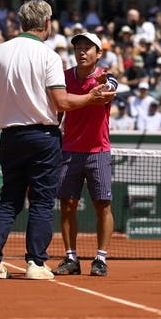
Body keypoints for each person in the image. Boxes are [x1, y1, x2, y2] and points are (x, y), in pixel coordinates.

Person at [0, 0, 115, 281]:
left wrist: (9, 110)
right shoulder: (49, 56)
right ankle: (35, 263)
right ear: (47, 24)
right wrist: (90, 98)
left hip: (11, 135)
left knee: (8, 201)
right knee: (41, 201)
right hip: (42, 136)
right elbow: (62, 101)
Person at [52, 31, 118, 277]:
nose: (81, 51)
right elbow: (58, 108)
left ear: (98, 54)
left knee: (103, 204)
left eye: (87, 48)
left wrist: (103, 86)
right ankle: (71, 258)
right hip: (69, 150)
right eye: (78, 47)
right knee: (67, 204)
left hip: (98, 151)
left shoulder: (106, 77)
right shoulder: (64, 77)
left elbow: (110, 88)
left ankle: (100, 258)